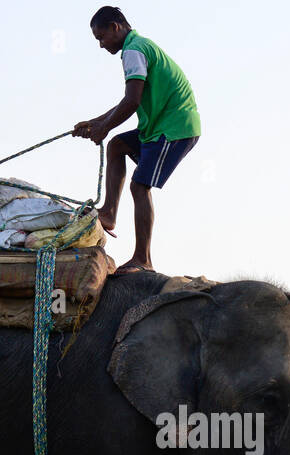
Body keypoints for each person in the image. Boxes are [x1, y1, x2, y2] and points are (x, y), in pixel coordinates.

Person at [73, 7, 201, 275]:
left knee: (139, 186)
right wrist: (96, 123)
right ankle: (108, 212)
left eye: (101, 37)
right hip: (157, 127)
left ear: (116, 28)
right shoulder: (136, 46)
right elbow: (130, 101)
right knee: (116, 145)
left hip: (174, 128)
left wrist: (104, 127)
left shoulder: (133, 51)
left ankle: (143, 259)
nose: (101, 44)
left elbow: (131, 101)